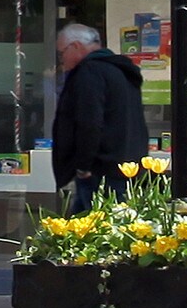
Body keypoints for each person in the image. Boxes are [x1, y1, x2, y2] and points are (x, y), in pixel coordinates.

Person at [50, 22, 146, 212]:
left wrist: (83, 167)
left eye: (61, 54)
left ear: (76, 46)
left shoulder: (90, 72)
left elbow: (89, 122)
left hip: (99, 172)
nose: (61, 61)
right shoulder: (120, 72)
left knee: (90, 230)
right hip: (124, 167)